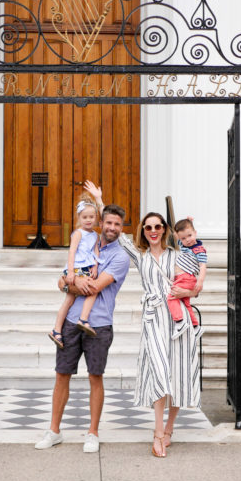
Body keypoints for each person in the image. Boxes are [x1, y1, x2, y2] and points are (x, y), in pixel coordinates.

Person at [84, 182, 200, 459]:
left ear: (165, 229)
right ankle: (158, 432)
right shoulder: (140, 254)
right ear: (143, 232)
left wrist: (188, 290)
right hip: (153, 319)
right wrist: (100, 201)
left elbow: (197, 282)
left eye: (157, 227)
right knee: (159, 371)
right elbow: (116, 232)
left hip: (178, 318)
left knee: (178, 372)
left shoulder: (178, 255)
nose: (153, 232)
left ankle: (169, 428)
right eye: (148, 228)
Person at [35, 199, 130, 453]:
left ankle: (93, 432)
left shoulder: (120, 257)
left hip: (98, 325)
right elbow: (61, 281)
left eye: (117, 224)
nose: (112, 227)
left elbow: (95, 287)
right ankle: (54, 430)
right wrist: (70, 280)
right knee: (61, 375)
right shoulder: (87, 242)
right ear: (101, 223)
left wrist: (72, 282)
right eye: (108, 222)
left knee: (95, 377)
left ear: (121, 228)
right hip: (70, 323)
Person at [48, 193, 100, 349]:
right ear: (79, 218)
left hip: (87, 268)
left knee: (78, 296)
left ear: (96, 217)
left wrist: (95, 265)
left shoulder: (95, 235)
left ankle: (61, 329)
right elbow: (72, 252)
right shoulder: (78, 233)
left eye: (91, 217)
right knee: (87, 292)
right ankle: (76, 322)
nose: (89, 220)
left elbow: (96, 251)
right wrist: (70, 272)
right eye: (85, 217)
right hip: (76, 269)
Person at [167, 218, 206, 339]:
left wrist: (200, 281)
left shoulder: (199, 250)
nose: (187, 240)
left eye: (189, 235)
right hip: (181, 278)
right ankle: (195, 326)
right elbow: (175, 234)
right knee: (185, 304)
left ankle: (179, 322)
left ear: (195, 233)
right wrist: (187, 220)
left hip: (187, 278)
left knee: (171, 297)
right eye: (183, 238)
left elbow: (203, 266)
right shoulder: (183, 245)